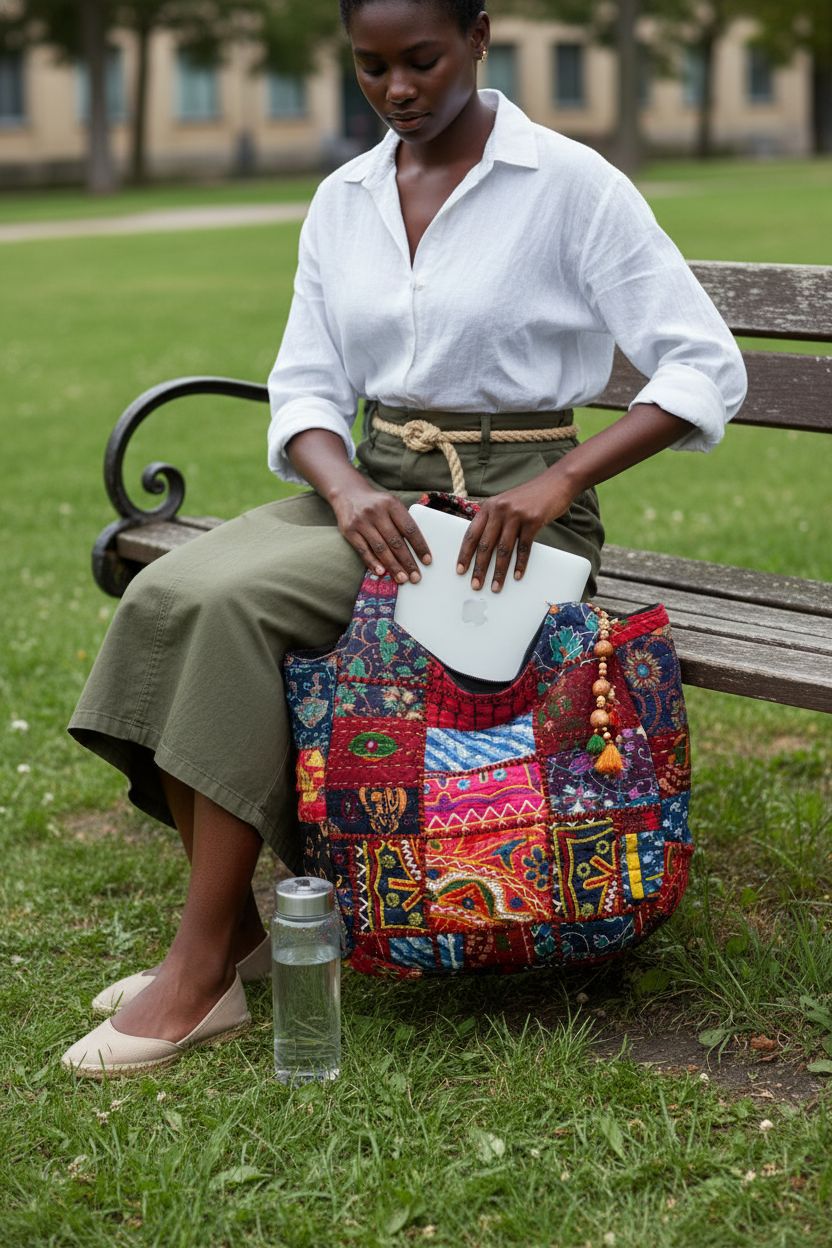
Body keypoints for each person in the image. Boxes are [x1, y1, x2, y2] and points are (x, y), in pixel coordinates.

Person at [62, 0, 747, 1077]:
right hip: (371, 492)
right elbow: (304, 385)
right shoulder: (344, 198)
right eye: (370, 67)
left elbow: (704, 364)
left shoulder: (567, 184)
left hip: (506, 519)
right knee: (167, 594)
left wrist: (558, 478)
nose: (396, 90)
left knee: (231, 605)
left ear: (478, 36)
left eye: (420, 61)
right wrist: (340, 489)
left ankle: (197, 971)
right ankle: (238, 929)